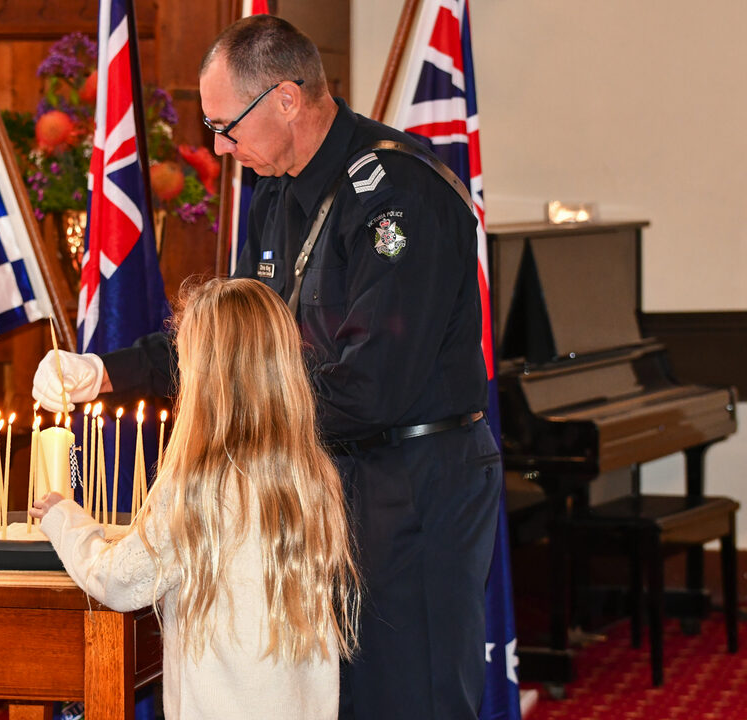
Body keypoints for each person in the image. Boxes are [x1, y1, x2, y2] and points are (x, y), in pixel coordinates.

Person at [33, 15, 502, 720]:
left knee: (410, 697)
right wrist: (104, 371)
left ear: (286, 98)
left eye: (226, 127)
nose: (220, 148)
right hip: (318, 483)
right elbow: (235, 344)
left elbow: (374, 387)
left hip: (411, 484)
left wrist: (227, 435)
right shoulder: (277, 193)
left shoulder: (396, 196)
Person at [30, 278, 360, 720]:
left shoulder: (200, 485)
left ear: (206, 379)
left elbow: (120, 580)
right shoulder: (314, 475)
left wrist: (64, 519)